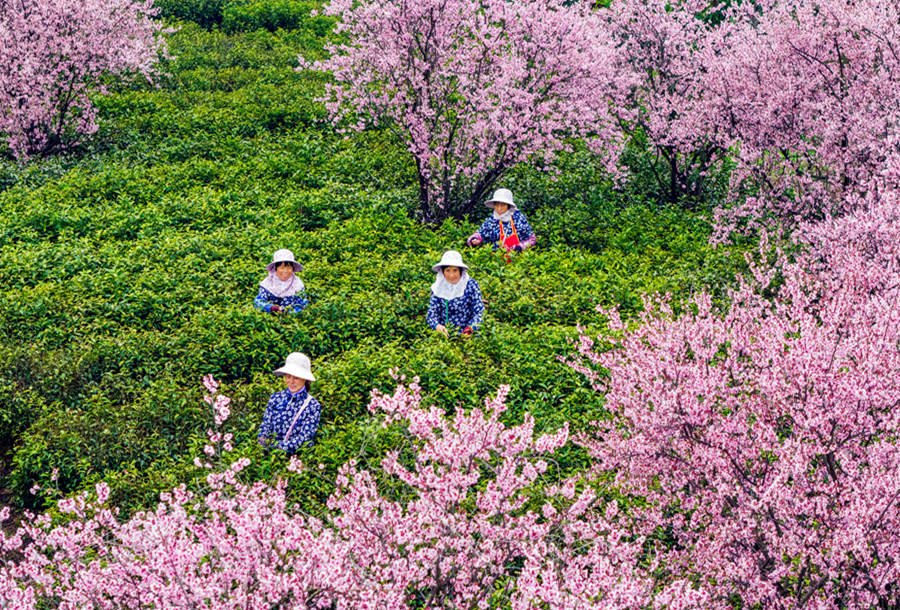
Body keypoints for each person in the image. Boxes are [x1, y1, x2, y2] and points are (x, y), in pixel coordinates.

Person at [258, 352, 322, 453]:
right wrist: (263, 443)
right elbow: (265, 427)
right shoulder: (276, 398)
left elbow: (304, 438)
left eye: (296, 377)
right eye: (288, 376)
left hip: (297, 458)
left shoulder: (313, 406)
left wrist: (277, 447)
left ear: (305, 379)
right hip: (269, 457)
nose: (291, 381)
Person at [426, 250, 484, 336]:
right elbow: (432, 314)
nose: (451, 275)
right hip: (444, 335)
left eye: (455, 270)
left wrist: (470, 329)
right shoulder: (438, 287)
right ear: (443, 271)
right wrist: (437, 326)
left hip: (469, 335)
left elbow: (479, 311)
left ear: (460, 271)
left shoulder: (470, 285)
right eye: (447, 270)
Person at [466, 188, 536, 251]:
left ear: (508, 206)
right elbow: (479, 234)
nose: (499, 208)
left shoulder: (518, 219)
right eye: (497, 205)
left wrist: (521, 247)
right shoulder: (491, 220)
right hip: (496, 259)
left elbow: (532, 239)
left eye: (503, 205)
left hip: (516, 259)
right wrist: (474, 240)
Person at [254, 249, 310, 314]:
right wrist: (271, 308)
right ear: (276, 268)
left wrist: (288, 312)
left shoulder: (297, 284)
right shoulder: (267, 283)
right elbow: (258, 302)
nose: (285, 271)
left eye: (289, 268)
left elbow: (303, 304)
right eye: (282, 268)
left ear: (293, 269)